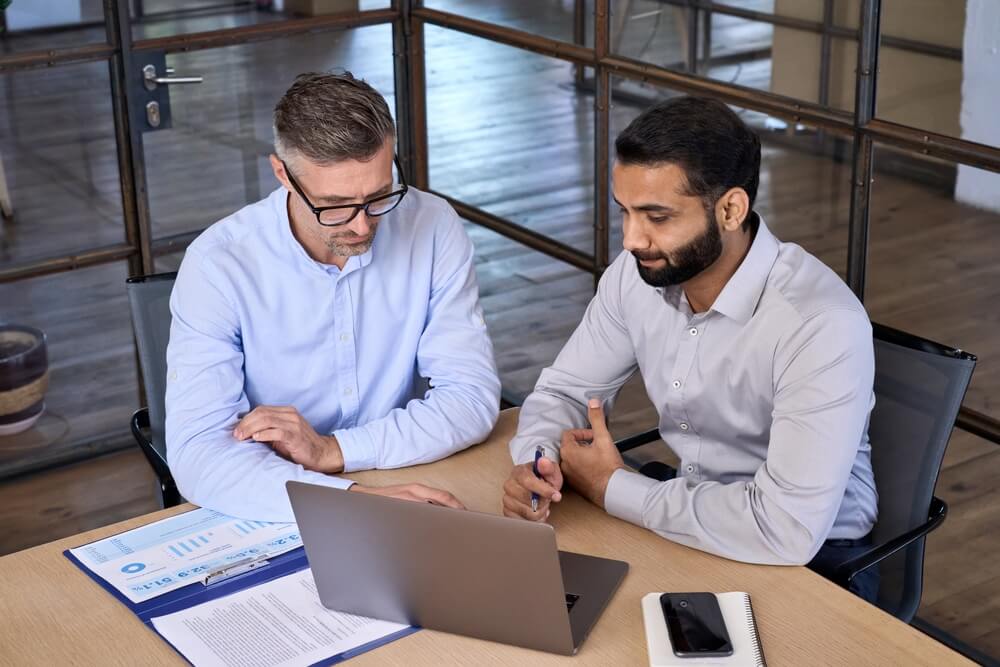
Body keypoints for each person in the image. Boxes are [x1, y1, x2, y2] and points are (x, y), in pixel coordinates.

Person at [502, 96, 879, 601]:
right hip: (685, 517)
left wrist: (613, 487)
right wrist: (540, 463)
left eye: (656, 216)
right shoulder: (636, 276)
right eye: (625, 212)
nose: (633, 240)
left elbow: (786, 528)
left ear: (730, 209)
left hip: (818, 560)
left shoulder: (820, 325)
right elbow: (567, 390)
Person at [165, 71, 501, 522]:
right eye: (336, 205)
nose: (362, 226)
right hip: (277, 502)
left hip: (407, 477)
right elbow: (199, 454)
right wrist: (354, 498)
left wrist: (332, 451)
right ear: (282, 174)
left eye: (380, 196)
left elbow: (472, 398)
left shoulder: (432, 224)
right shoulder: (218, 265)